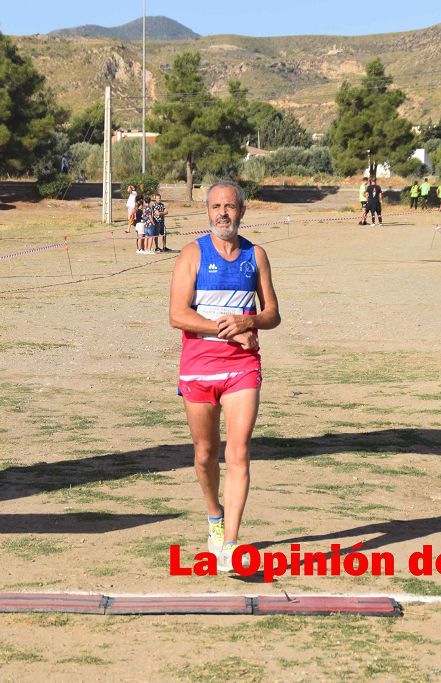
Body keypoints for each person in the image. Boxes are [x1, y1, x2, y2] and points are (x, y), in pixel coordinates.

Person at [169, 180, 281, 572]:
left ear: (242, 211)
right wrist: (223, 327)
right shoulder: (190, 254)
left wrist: (249, 320)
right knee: (205, 455)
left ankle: (231, 544)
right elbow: (176, 315)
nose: (223, 213)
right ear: (207, 212)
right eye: (216, 206)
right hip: (199, 367)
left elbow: (273, 314)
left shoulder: (256, 256)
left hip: (242, 368)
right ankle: (214, 516)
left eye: (230, 206)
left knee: (238, 453)